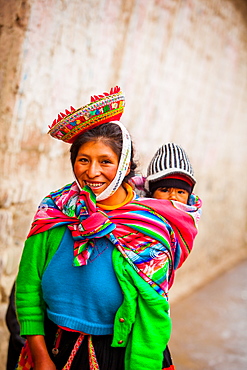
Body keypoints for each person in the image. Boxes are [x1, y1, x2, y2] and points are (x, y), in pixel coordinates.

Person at [15, 87, 202, 370]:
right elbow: (28, 287)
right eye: (83, 160)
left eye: (105, 161)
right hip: (51, 347)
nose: (92, 172)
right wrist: (41, 357)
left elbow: (152, 316)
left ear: (124, 165)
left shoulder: (149, 228)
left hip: (118, 353)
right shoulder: (54, 210)